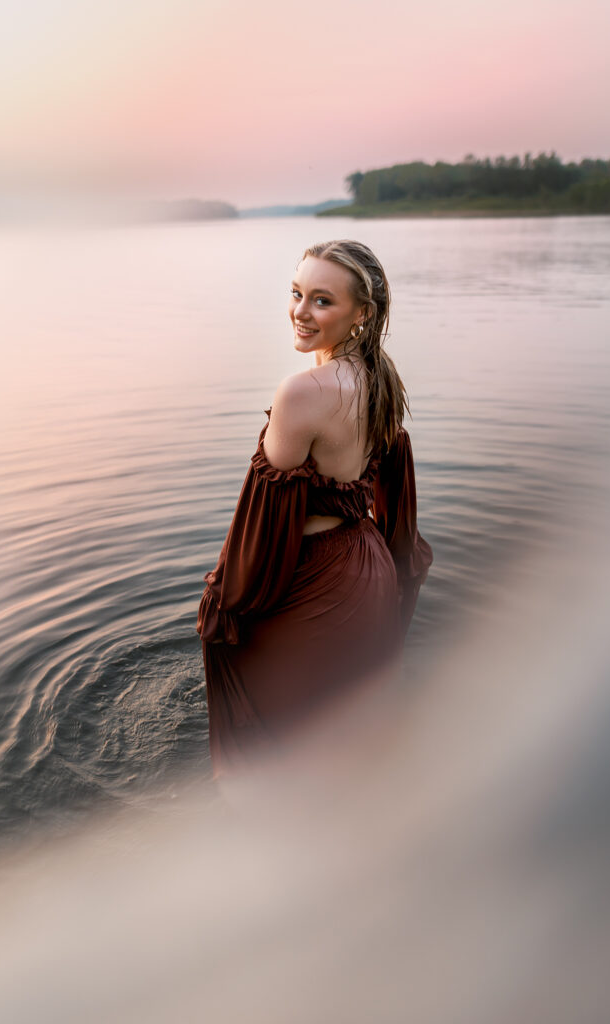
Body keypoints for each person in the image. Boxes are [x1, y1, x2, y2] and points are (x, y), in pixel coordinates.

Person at [196, 239, 433, 778]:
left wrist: (225, 598)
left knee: (277, 746)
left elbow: (264, 517)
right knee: (339, 739)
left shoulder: (303, 391)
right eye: (297, 293)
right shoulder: (381, 379)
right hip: (367, 565)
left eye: (322, 300)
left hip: (312, 579)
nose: (301, 312)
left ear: (362, 314)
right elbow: (389, 484)